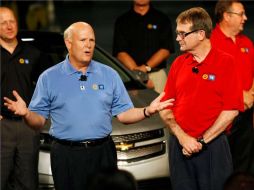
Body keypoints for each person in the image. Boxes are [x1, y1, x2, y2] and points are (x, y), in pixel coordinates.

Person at [3, 22, 174, 190]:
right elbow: (38, 121)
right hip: (66, 155)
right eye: (83, 40)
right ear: (68, 43)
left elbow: (124, 115)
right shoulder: (49, 78)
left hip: (103, 153)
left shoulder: (109, 75)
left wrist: (147, 110)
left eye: (92, 40)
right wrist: (26, 113)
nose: (89, 45)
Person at [159, 7, 243, 190]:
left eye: (182, 33)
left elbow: (231, 110)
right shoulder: (178, 64)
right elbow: (165, 107)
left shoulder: (225, 62)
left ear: (200, 34)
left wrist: (201, 141)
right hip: (179, 146)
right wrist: (183, 138)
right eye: (177, 33)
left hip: (213, 147)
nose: (177, 38)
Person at [0, 7, 46, 190]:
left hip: (28, 125)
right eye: (3, 23)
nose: (9, 26)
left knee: (28, 182)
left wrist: (36, 112)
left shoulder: (33, 53)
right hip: (2, 126)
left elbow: (46, 87)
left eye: (12, 21)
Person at [210, 0, 254, 174]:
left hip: (246, 114)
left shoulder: (247, 43)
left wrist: (250, 95)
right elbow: (210, 79)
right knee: (222, 167)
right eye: (241, 14)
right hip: (222, 116)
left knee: (244, 165)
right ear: (226, 16)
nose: (245, 18)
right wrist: (239, 95)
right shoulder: (210, 43)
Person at [113, 0, 175, 93]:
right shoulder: (122, 20)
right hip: (130, 76)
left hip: (156, 75)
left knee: (161, 106)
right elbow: (120, 51)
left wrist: (144, 69)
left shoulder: (162, 19)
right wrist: (138, 74)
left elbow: (166, 49)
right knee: (133, 106)